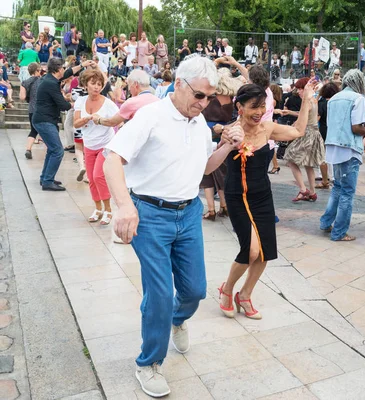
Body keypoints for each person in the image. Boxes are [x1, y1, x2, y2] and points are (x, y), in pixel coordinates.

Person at [103, 55, 243, 397]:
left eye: (209, 97)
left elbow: (203, 168)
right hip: (149, 215)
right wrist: (124, 206)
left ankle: (177, 319)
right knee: (160, 294)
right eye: (199, 95)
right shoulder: (150, 116)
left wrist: (226, 145)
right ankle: (148, 363)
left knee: (195, 290)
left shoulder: (197, 123)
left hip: (189, 213)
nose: (204, 103)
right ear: (179, 83)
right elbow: (112, 160)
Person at [216, 81, 313, 321]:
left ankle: (245, 295)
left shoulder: (267, 129)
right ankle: (227, 288)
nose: (259, 112)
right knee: (250, 250)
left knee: (265, 252)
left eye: (262, 106)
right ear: (239, 106)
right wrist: (222, 133)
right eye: (253, 107)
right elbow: (216, 159)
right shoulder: (232, 131)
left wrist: (308, 102)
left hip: (262, 196)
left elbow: (298, 131)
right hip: (237, 196)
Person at [320, 69, 365, 241]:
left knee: (338, 187)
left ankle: (326, 223)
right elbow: (356, 128)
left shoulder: (334, 98)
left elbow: (331, 124)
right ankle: (339, 232)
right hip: (348, 147)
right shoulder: (358, 98)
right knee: (347, 191)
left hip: (333, 146)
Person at [32, 58, 91, 191]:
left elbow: (68, 73)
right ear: (58, 69)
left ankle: (46, 177)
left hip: (44, 119)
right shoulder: (50, 84)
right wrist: (79, 105)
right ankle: (47, 181)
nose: (64, 70)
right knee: (58, 150)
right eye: (63, 68)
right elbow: (63, 105)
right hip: (44, 120)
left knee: (52, 150)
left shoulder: (50, 78)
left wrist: (82, 65)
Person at [73, 69, 118, 224]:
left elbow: (118, 120)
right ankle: (98, 208)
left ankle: (108, 210)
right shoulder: (80, 101)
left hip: (105, 144)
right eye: (93, 83)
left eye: (99, 84)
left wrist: (103, 121)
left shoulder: (108, 103)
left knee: (99, 176)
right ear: (86, 84)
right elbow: (76, 122)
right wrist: (88, 119)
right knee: (91, 178)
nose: (96, 87)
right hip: (89, 144)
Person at [199, 67, 241, 221]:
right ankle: (224, 206)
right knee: (221, 171)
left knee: (207, 173)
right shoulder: (231, 97)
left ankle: (211, 210)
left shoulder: (212, 97)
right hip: (225, 132)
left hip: (209, 131)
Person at [282, 77, 324, 201]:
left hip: (307, 134)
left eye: (300, 89)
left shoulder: (308, 101)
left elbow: (302, 118)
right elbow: (303, 114)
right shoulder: (313, 100)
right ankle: (312, 192)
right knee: (308, 164)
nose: (299, 92)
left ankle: (303, 189)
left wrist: (292, 125)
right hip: (314, 133)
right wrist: (289, 112)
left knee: (290, 158)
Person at [316, 83, 339, 189]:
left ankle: (325, 178)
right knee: (334, 155)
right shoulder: (338, 102)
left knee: (323, 156)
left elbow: (317, 118)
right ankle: (334, 176)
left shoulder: (322, 103)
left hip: (324, 130)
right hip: (336, 131)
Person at [20, 62, 42, 159]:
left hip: (32, 109)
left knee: (33, 130)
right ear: (37, 71)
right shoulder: (42, 81)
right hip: (42, 109)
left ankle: (28, 149)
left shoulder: (24, 82)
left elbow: (22, 97)